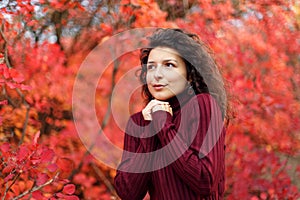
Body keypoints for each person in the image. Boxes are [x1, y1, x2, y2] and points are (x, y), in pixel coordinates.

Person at [114, 28, 228, 200]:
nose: (157, 75)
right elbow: (128, 193)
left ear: (190, 74)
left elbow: (204, 181)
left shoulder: (203, 105)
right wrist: (150, 132)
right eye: (151, 67)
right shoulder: (138, 121)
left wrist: (162, 124)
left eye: (169, 65)